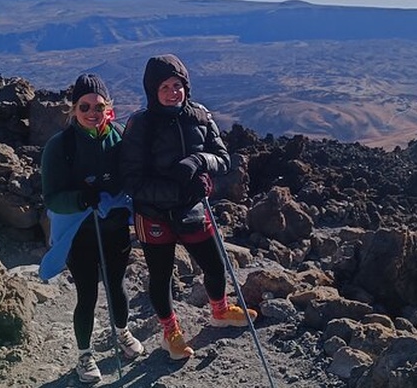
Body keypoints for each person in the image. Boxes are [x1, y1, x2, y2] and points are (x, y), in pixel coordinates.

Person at [120, 54, 257, 361]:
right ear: (152, 90)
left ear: (186, 86)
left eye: (178, 84)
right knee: (161, 275)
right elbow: (130, 180)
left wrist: (200, 162)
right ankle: (171, 334)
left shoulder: (199, 115)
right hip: (153, 214)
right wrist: (176, 188)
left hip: (193, 208)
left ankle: (220, 312)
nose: (173, 92)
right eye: (165, 86)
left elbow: (222, 158)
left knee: (213, 264)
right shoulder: (140, 125)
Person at [39, 73, 144, 384]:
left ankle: (122, 333)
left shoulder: (119, 136)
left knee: (117, 285)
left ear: (107, 107)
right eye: (84, 106)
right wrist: (82, 199)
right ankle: (84, 354)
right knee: (87, 294)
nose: (92, 113)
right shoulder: (60, 147)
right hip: (80, 236)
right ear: (74, 109)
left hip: (113, 231)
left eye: (98, 106)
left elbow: (131, 176)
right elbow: (52, 198)